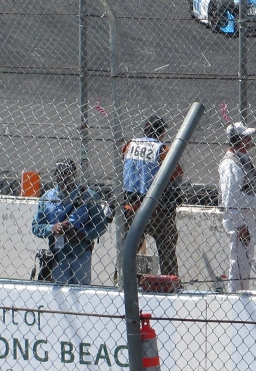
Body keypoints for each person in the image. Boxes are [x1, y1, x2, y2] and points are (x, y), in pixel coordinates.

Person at [30, 158, 109, 286]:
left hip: (81, 252)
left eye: (66, 174)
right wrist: (52, 228)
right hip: (58, 254)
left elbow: (101, 224)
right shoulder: (47, 198)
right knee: (59, 290)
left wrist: (83, 234)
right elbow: (36, 226)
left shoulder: (88, 196)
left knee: (81, 291)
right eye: (59, 174)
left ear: (73, 175)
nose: (62, 178)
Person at [121, 115, 182, 278]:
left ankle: (124, 280)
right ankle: (170, 280)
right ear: (161, 133)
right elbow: (176, 175)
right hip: (156, 209)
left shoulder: (129, 145)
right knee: (167, 245)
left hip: (131, 206)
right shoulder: (162, 150)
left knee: (129, 249)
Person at [219, 122, 256, 294]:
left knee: (245, 262)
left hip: (248, 219)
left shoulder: (242, 159)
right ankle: (235, 297)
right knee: (238, 263)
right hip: (241, 221)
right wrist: (239, 225)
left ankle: (241, 295)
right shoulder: (231, 164)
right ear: (240, 140)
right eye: (247, 137)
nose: (250, 139)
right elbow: (230, 197)